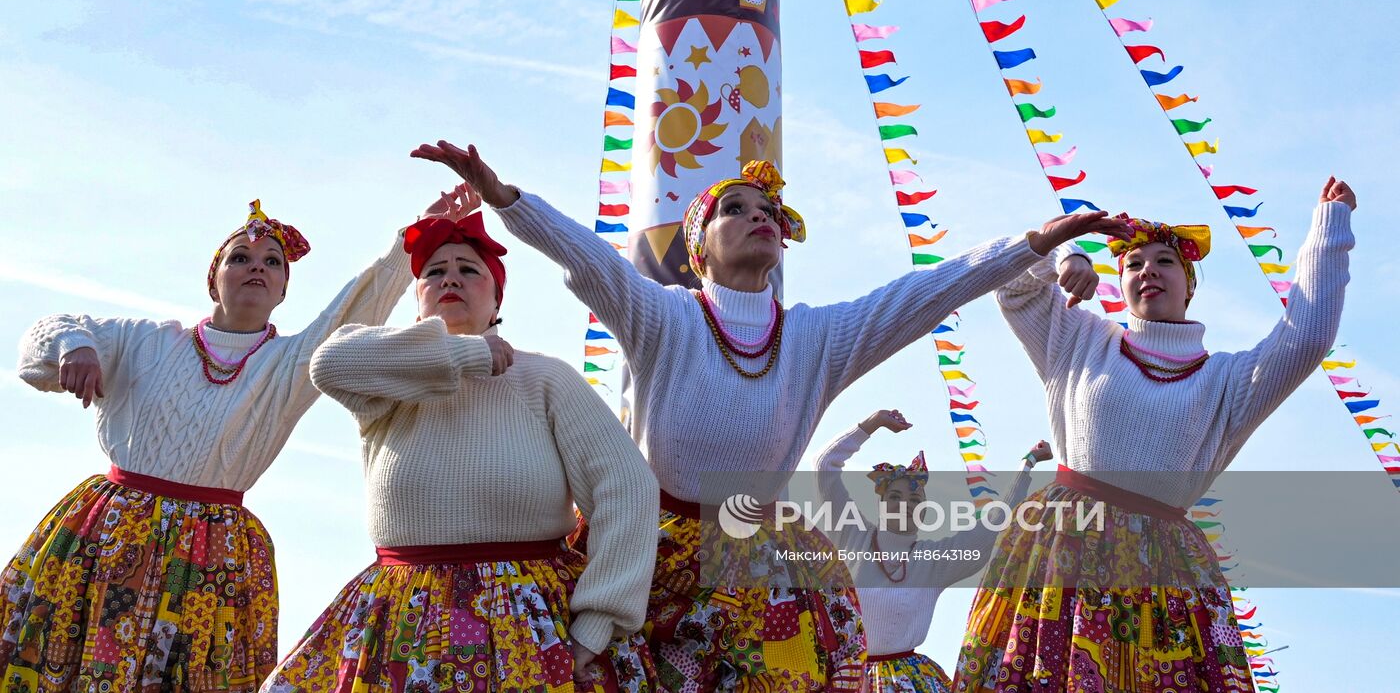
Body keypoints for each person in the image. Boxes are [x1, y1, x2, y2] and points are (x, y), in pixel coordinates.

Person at [411, 140, 1128, 692]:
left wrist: (1030, 246)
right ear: (698, 252)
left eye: (769, 212)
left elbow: (927, 294)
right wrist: (503, 197)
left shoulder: (819, 336)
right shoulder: (664, 315)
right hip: (646, 552)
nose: (759, 216)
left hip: (762, 557)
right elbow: (590, 261)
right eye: (735, 209)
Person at [955, 177, 1357, 692]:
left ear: (1189, 283)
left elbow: (1309, 334)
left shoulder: (1230, 381)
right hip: (1059, 552)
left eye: (1165, 261)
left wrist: (1330, 228)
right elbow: (1012, 286)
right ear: (1118, 282)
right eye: (1133, 263)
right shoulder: (1079, 337)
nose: (1148, 271)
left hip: (1163, 568)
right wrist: (1063, 251)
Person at [4, 197, 419, 693]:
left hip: (213, 553)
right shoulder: (148, 341)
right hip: (109, 538)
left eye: (272, 263)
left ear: (284, 290)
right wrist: (75, 347)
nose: (256, 268)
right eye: (239, 258)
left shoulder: (290, 364)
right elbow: (46, 335)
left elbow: (357, 309)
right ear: (214, 277)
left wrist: (408, 244)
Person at [260, 189, 659, 693]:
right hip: (405, 619)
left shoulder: (546, 379)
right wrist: (465, 355)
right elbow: (327, 362)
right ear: (418, 300)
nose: (449, 276)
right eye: (433, 272)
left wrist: (598, 622)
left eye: (469, 270)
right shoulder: (388, 380)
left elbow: (628, 489)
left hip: (531, 622)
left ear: (497, 300)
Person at [817, 409, 1051, 693]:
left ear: (926, 509)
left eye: (914, 498)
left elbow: (992, 526)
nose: (905, 504)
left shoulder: (935, 560)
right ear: (881, 502)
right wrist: (872, 423)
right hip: (845, 677)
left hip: (908, 682)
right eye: (895, 497)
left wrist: (1027, 465)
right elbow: (825, 467)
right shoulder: (854, 534)